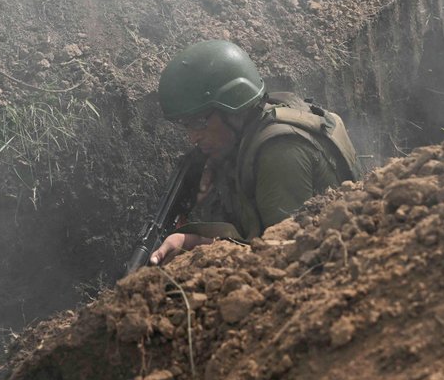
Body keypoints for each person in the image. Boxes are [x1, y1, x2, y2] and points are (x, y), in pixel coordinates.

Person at [149, 40, 358, 265]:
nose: (192, 137)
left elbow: (283, 257)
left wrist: (194, 241)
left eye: (200, 122)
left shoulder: (280, 152)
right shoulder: (261, 119)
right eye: (185, 125)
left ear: (232, 107)